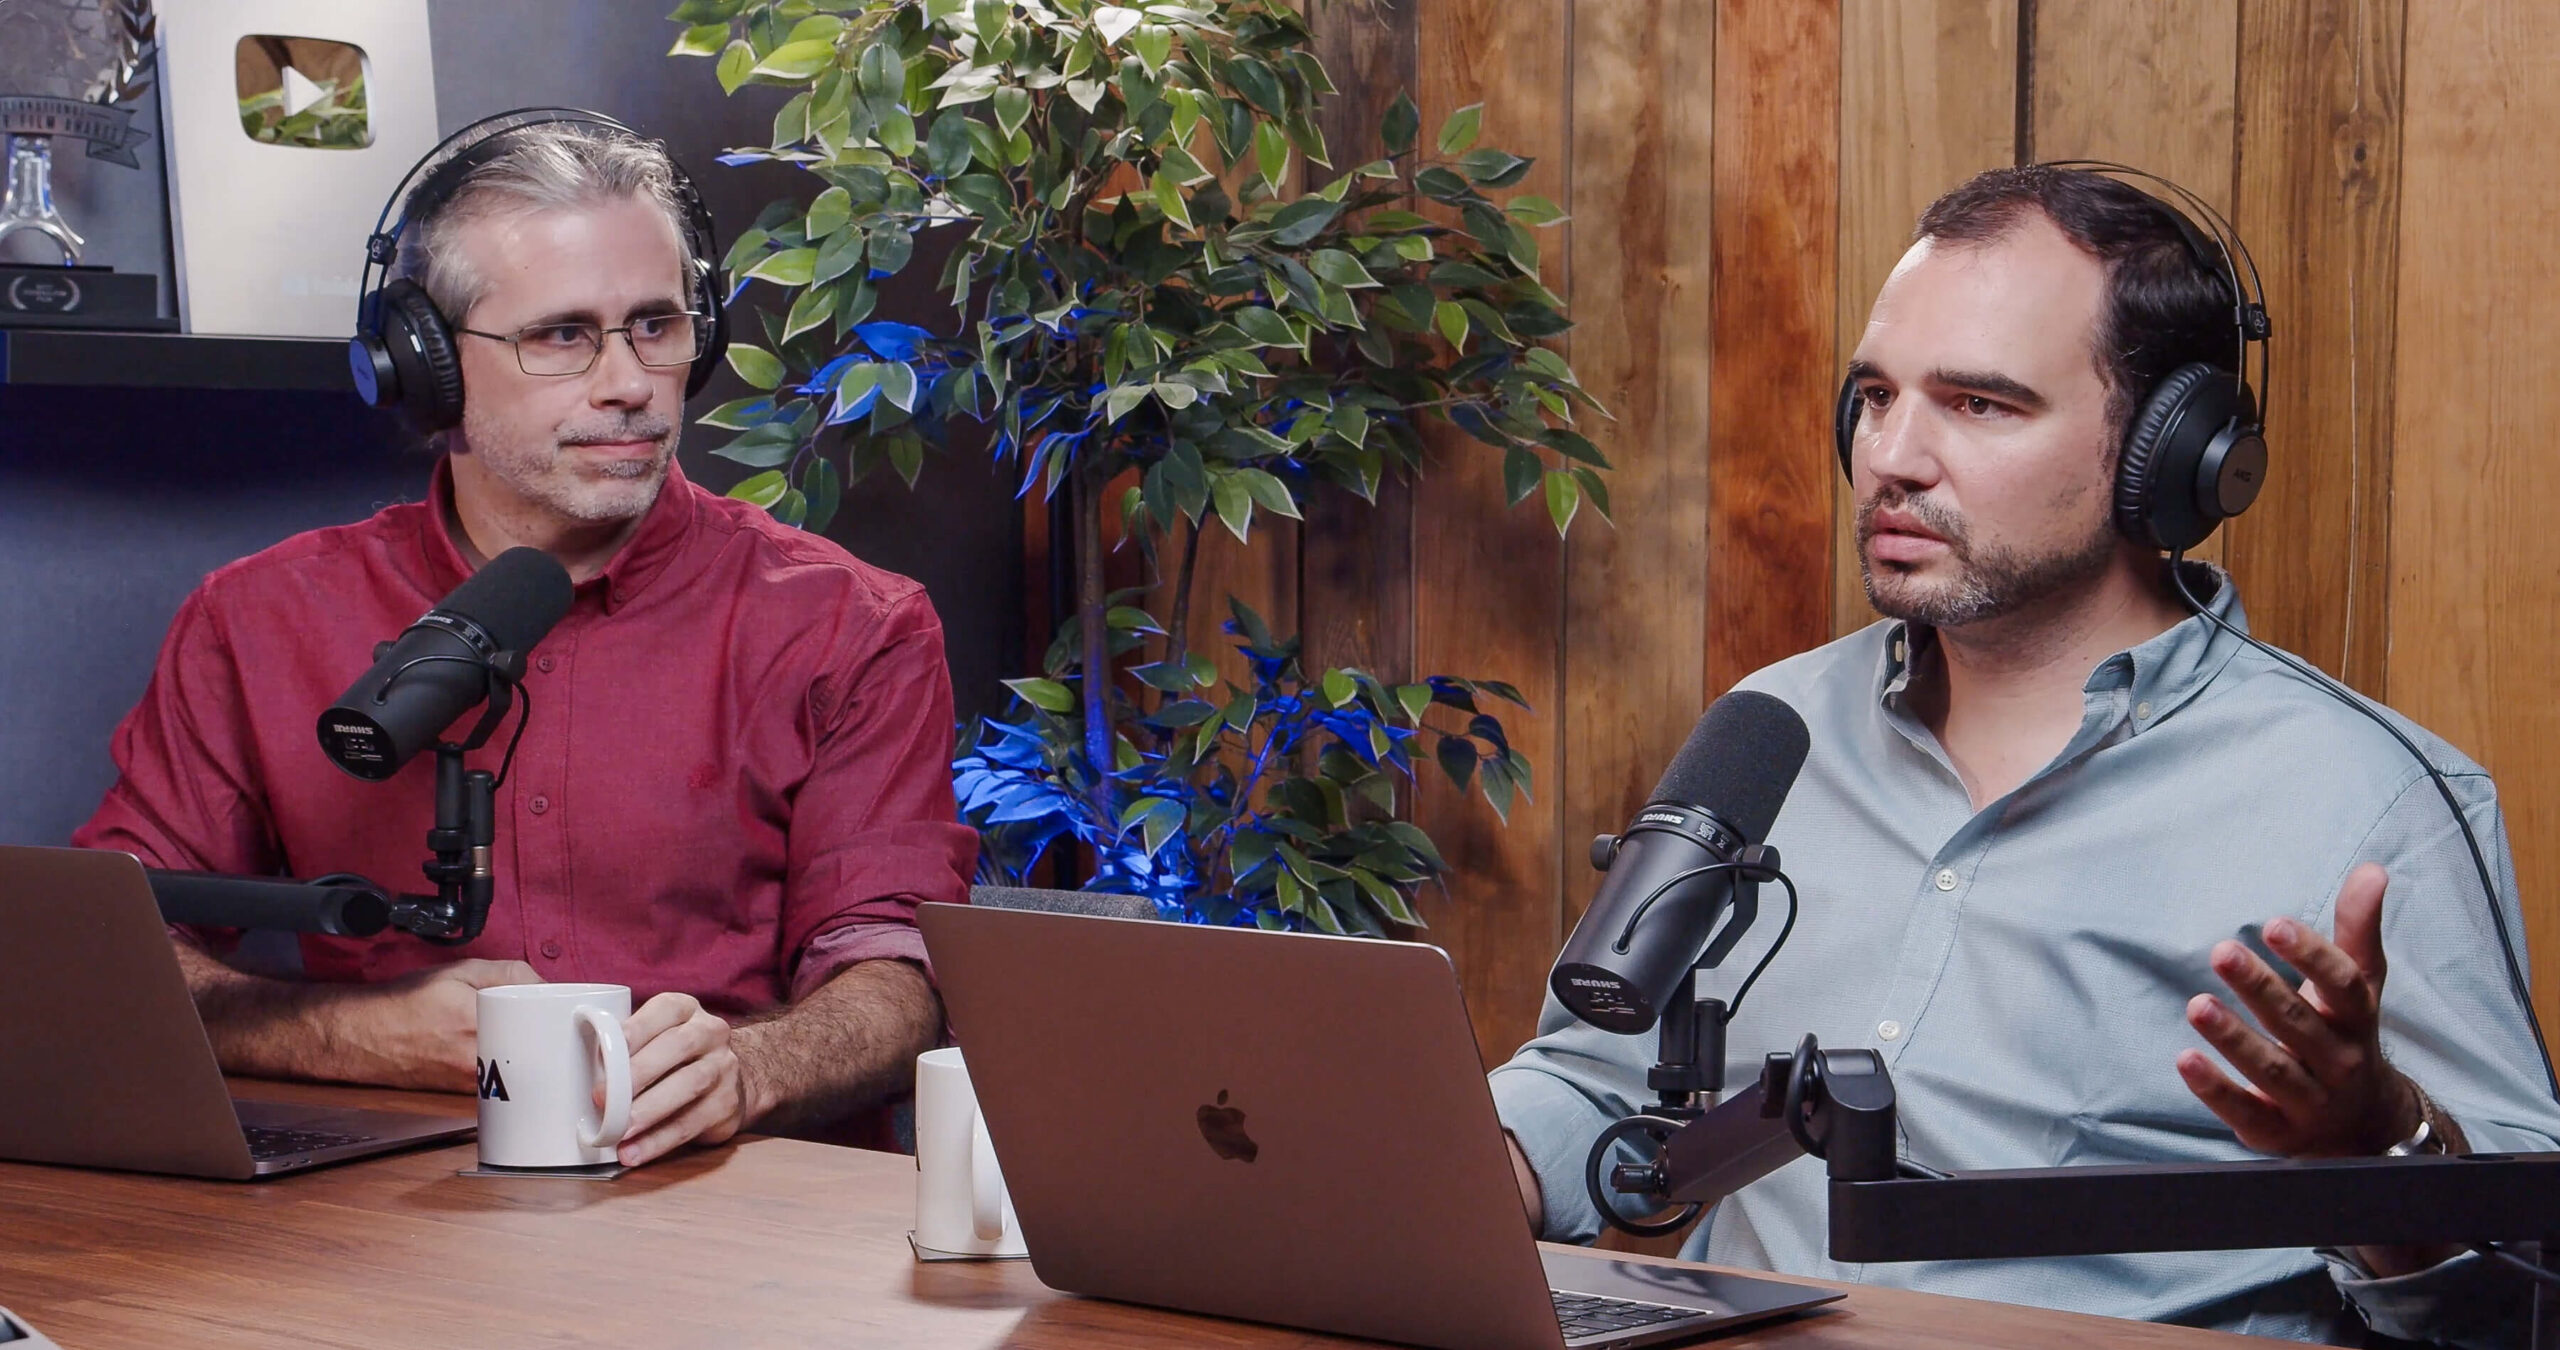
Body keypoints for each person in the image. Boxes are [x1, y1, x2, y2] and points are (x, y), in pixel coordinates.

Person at [1493, 164, 2560, 1345]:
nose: (1891, 456)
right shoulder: (1771, 728)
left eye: (1978, 405)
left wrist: (2381, 1150)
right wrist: (1442, 1172)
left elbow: (2518, 1302)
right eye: (1874, 396)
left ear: (2174, 453)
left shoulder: (2375, 800)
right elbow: (1596, 1082)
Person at [74, 120, 975, 1168]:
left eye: (656, 326)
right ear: (425, 367)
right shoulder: (258, 619)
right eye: (561, 336)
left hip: (735, 1227)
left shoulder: (848, 623)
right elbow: (108, 959)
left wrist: (747, 1068)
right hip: (377, 1232)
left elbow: (894, 975)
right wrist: (354, 1038)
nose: (631, 383)